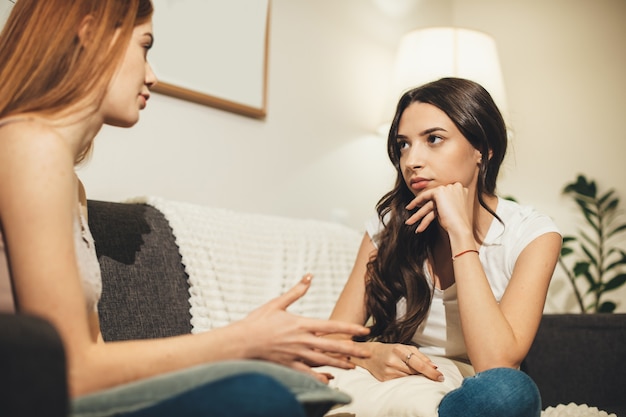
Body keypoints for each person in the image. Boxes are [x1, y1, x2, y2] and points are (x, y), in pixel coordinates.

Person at [0, 1, 370, 416]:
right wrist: (243, 341)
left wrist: (249, 351)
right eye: (145, 45)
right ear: (89, 34)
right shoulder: (28, 144)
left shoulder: (68, 181)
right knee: (259, 398)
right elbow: (69, 372)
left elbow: (95, 361)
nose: (151, 75)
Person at [317, 78, 562, 417]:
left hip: (463, 392)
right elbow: (332, 341)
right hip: (393, 382)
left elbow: (497, 364)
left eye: (433, 140)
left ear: (483, 149)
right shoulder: (388, 226)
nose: (412, 160)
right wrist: (370, 354)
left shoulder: (532, 234)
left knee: (509, 392)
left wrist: (460, 233)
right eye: (403, 145)